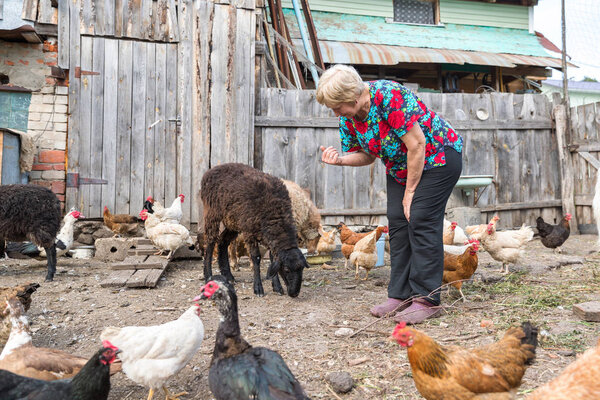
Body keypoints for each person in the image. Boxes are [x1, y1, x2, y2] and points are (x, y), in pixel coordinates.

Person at [316, 65, 463, 324]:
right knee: (397, 221)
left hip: (438, 157)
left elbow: (417, 144)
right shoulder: (348, 118)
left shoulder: (389, 96)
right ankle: (400, 294)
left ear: (353, 97)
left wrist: (410, 193)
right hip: (401, 167)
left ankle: (427, 299)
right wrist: (339, 160)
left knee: (419, 218)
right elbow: (366, 155)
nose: (335, 112)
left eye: (337, 106)